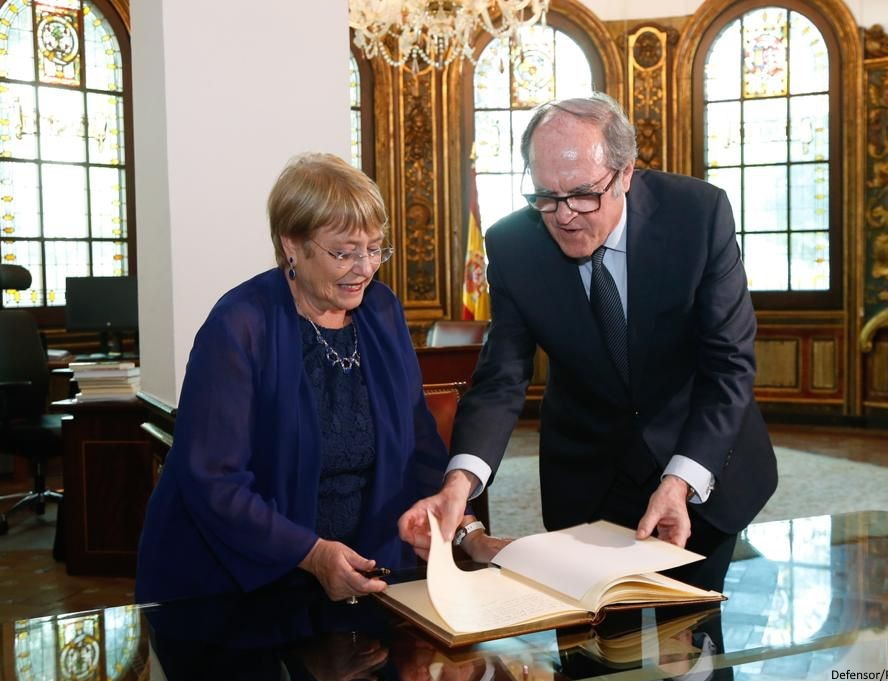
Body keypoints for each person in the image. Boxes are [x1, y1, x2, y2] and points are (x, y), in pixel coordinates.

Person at [399, 93, 778, 592]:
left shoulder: (696, 215)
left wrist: (681, 479)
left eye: (583, 194)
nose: (564, 216)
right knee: (586, 647)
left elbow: (728, 365)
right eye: (545, 197)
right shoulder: (513, 245)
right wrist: (459, 484)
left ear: (624, 173)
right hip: (587, 476)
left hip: (698, 458)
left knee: (695, 649)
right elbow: (502, 377)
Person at [136, 153, 498, 605]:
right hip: (237, 586)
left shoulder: (382, 310)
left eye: (375, 248)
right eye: (344, 252)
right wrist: (310, 554)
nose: (364, 267)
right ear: (292, 244)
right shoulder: (240, 326)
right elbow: (214, 479)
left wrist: (463, 529)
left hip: (366, 572)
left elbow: (418, 441)